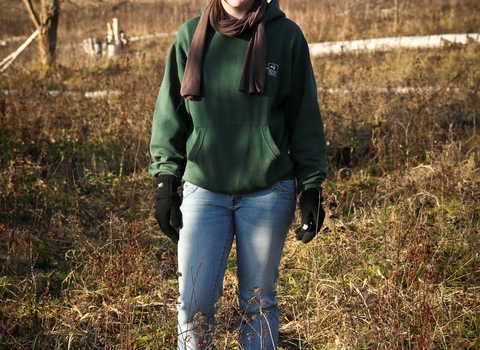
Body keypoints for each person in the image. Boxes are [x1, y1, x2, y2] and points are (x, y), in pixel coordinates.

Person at [149, 0, 327, 348]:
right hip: (203, 190)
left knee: (258, 304)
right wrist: (166, 183)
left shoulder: (287, 37)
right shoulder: (190, 36)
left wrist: (311, 187)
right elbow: (170, 114)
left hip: (268, 192)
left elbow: (304, 116)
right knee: (193, 306)